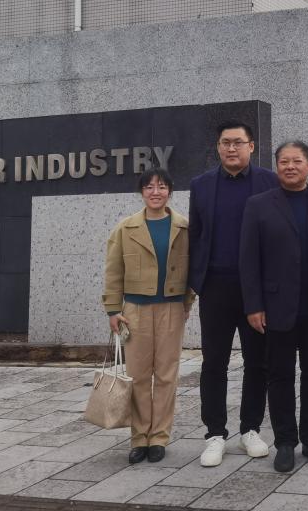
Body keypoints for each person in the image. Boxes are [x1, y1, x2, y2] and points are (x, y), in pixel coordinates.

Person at [239, 141, 308, 472]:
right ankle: (284, 441)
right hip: (276, 306)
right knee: (279, 375)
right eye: (283, 161)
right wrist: (253, 305)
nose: (290, 166)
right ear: (277, 166)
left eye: (297, 161)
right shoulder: (258, 205)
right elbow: (249, 259)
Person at [188, 120, 278, 467]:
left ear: (251, 146)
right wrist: (197, 282)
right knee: (214, 362)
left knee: (258, 361)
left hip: (257, 290)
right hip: (216, 287)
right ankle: (215, 433)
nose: (231, 148)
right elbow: (196, 235)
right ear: (218, 147)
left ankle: (250, 429)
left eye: (238, 142)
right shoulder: (202, 185)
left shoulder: (269, 182)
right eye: (225, 142)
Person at [103, 167, 193, 464]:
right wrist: (113, 309)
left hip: (171, 308)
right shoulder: (125, 228)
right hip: (134, 311)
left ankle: (159, 437)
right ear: (141, 192)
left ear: (170, 192)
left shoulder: (183, 227)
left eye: (162, 187)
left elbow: (192, 268)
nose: (156, 192)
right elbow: (113, 271)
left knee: (166, 375)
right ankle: (139, 437)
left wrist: (187, 301)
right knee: (138, 376)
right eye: (150, 187)